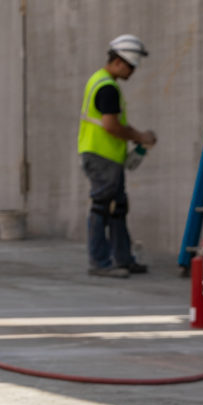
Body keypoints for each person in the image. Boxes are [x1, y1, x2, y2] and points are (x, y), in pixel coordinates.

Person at [78, 34, 157, 278]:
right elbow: (111, 126)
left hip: (105, 155)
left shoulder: (100, 80)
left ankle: (123, 258)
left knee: (118, 208)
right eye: (131, 66)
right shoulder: (108, 88)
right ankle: (100, 262)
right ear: (119, 62)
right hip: (103, 156)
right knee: (102, 208)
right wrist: (140, 137)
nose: (132, 72)